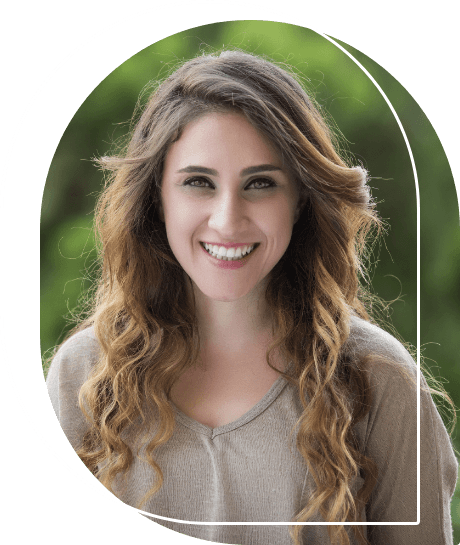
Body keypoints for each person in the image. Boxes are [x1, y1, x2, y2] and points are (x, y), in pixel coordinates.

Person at [45, 50, 458, 545]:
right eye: (198, 182)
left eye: (260, 183)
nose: (227, 219)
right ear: (157, 196)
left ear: (301, 198)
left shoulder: (379, 382)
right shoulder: (84, 376)